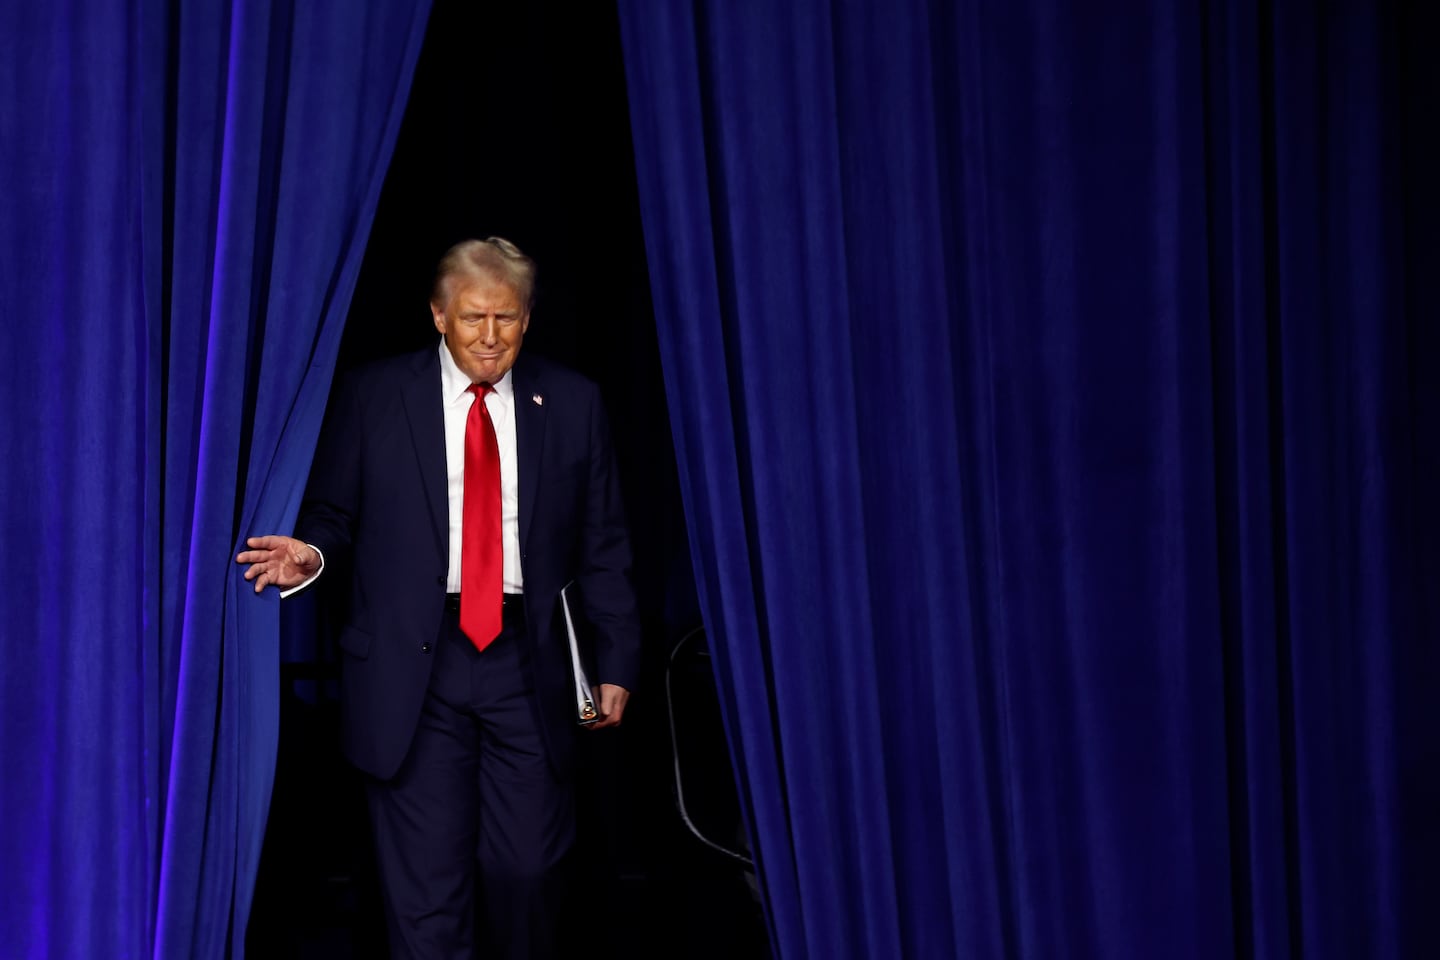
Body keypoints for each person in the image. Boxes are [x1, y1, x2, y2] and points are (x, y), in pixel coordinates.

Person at [236, 237, 641, 959]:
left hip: (530, 661)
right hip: (410, 667)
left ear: (528, 317)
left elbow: (604, 545)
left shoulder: (574, 403)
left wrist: (615, 661)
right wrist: (312, 553)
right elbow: (333, 514)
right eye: (473, 318)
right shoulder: (372, 395)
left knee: (526, 870)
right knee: (425, 896)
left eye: (507, 319)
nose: (491, 337)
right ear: (437, 315)